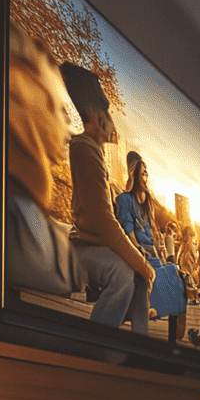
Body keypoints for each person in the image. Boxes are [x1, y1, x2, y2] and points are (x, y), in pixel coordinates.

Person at [58, 62, 155, 333]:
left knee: (135, 276)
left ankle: (139, 342)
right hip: (83, 248)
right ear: (94, 114)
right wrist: (143, 264)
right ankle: (96, 347)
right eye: (108, 112)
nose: (112, 120)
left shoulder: (94, 152)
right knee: (124, 274)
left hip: (94, 246)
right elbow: (105, 222)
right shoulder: (85, 150)